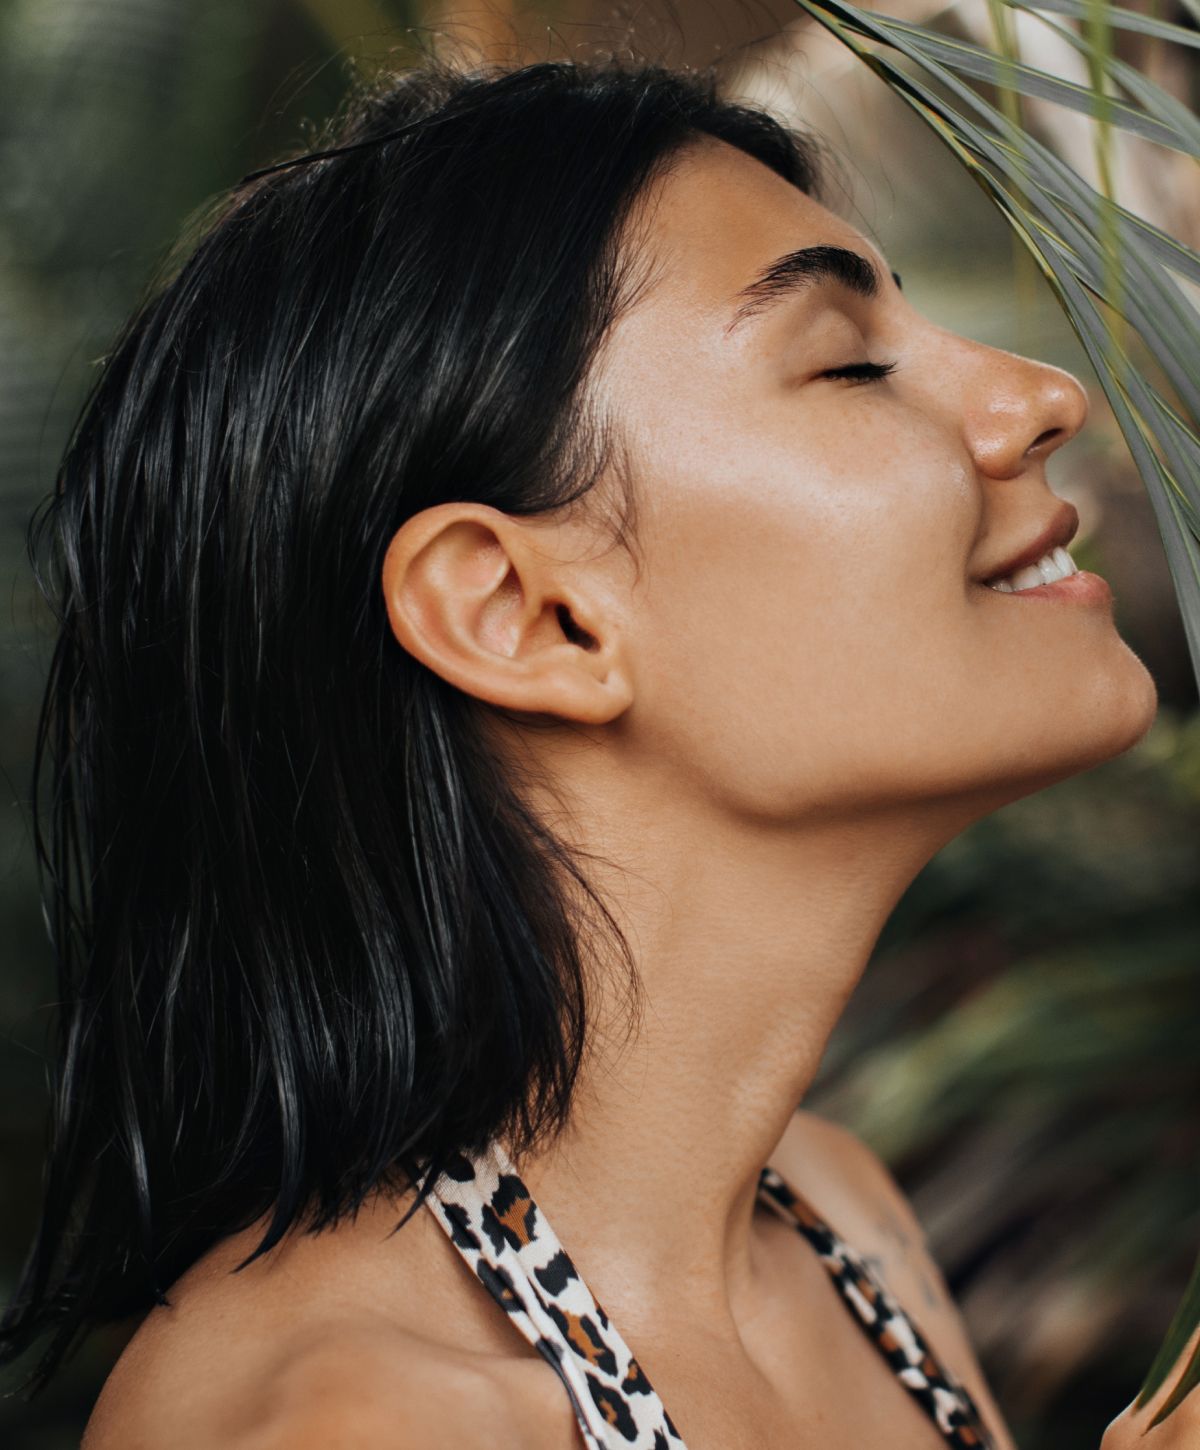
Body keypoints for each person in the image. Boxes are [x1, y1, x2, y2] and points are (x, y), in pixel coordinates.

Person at [0, 50, 1185, 1450]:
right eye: (852, 364)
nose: (1039, 398)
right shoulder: (356, 1422)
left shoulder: (839, 1226)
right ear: (527, 615)